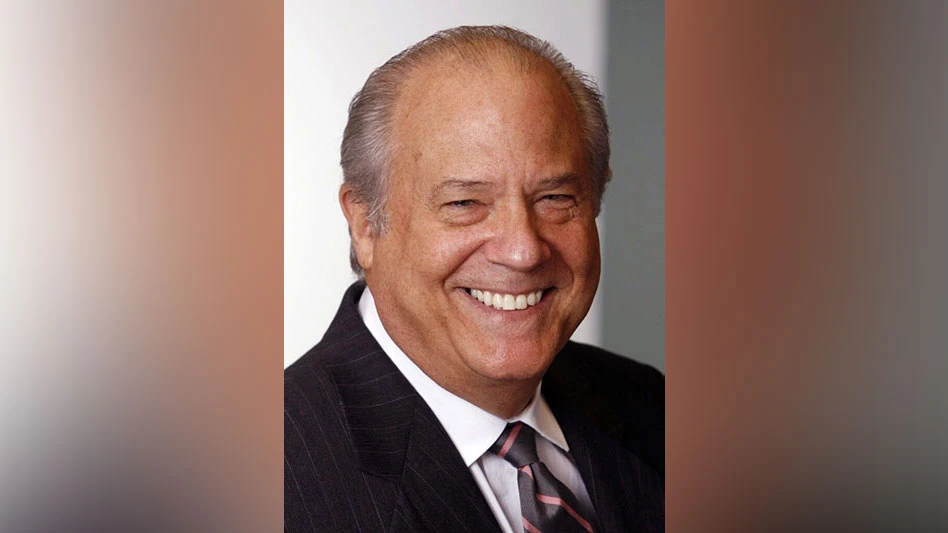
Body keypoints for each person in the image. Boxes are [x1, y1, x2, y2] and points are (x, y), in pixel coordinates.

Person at [284, 25, 664, 533]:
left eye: (555, 198)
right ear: (364, 224)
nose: (523, 249)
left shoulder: (652, 408)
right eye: (465, 203)